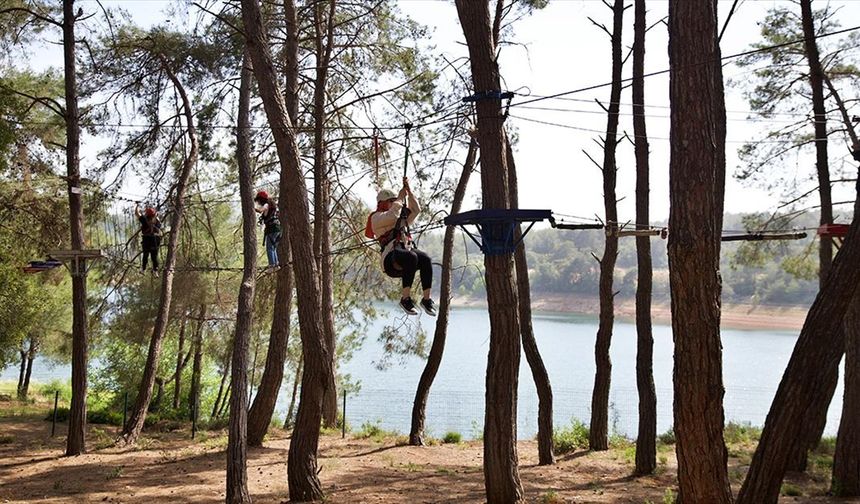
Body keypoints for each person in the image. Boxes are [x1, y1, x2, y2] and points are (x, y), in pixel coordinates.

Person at [365, 177, 436, 316]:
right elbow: (391, 216)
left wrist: (409, 192)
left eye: (394, 201)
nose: (393, 203)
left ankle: (426, 300)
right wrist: (399, 199)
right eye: (390, 201)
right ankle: (405, 299)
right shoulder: (376, 218)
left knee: (426, 259)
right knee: (411, 256)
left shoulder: (398, 217)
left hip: (405, 253)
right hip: (390, 258)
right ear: (382, 203)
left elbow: (416, 210)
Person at [253, 190, 281, 270]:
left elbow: (260, 210)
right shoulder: (273, 206)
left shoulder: (266, 204)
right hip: (277, 229)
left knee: (269, 248)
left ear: (261, 199)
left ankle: (271, 266)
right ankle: (276, 265)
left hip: (272, 228)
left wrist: (253, 208)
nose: (259, 202)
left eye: (259, 200)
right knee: (273, 248)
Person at [135, 203, 162, 276]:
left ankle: (143, 269)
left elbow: (137, 213)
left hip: (146, 240)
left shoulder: (144, 220)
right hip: (155, 240)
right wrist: (156, 215)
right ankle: (155, 270)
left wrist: (137, 205)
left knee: (145, 255)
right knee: (154, 257)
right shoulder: (156, 221)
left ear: (147, 214)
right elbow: (158, 221)